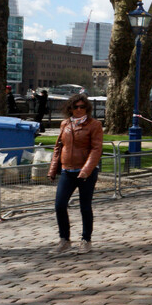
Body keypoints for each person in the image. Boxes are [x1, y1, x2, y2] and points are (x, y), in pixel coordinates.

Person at [48, 94, 103, 254]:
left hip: (85, 171)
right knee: (59, 205)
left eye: (82, 107)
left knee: (85, 207)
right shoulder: (65, 124)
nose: (79, 110)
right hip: (67, 170)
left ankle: (86, 240)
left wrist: (86, 170)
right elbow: (58, 146)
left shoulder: (94, 125)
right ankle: (64, 240)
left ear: (87, 108)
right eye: (75, 107)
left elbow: (96, 149)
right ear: (70, 108)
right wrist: (53, 169)